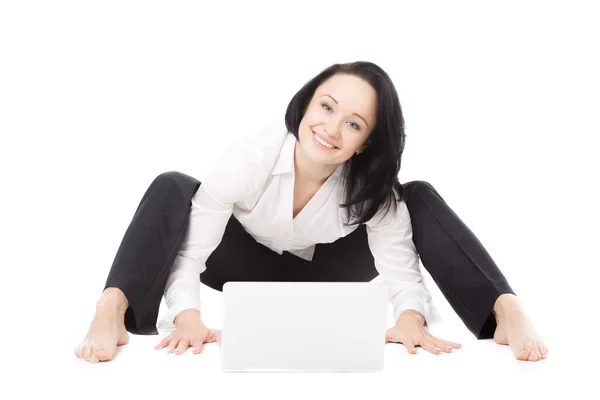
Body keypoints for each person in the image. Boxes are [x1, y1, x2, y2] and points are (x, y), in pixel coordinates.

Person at [74, 61, 548, 364]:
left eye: (354, 123)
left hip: (334, 270)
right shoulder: (249, 158)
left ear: (366, 143)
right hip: (238, 265)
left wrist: (410, 316)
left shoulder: (371, 188)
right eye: (326, 106)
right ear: (307, 102)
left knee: (416, 194)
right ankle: (114, 306)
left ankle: (503, 309)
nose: (330, 128)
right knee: (174, 186)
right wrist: (187, 316)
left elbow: (400, 268)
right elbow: (193, 252)